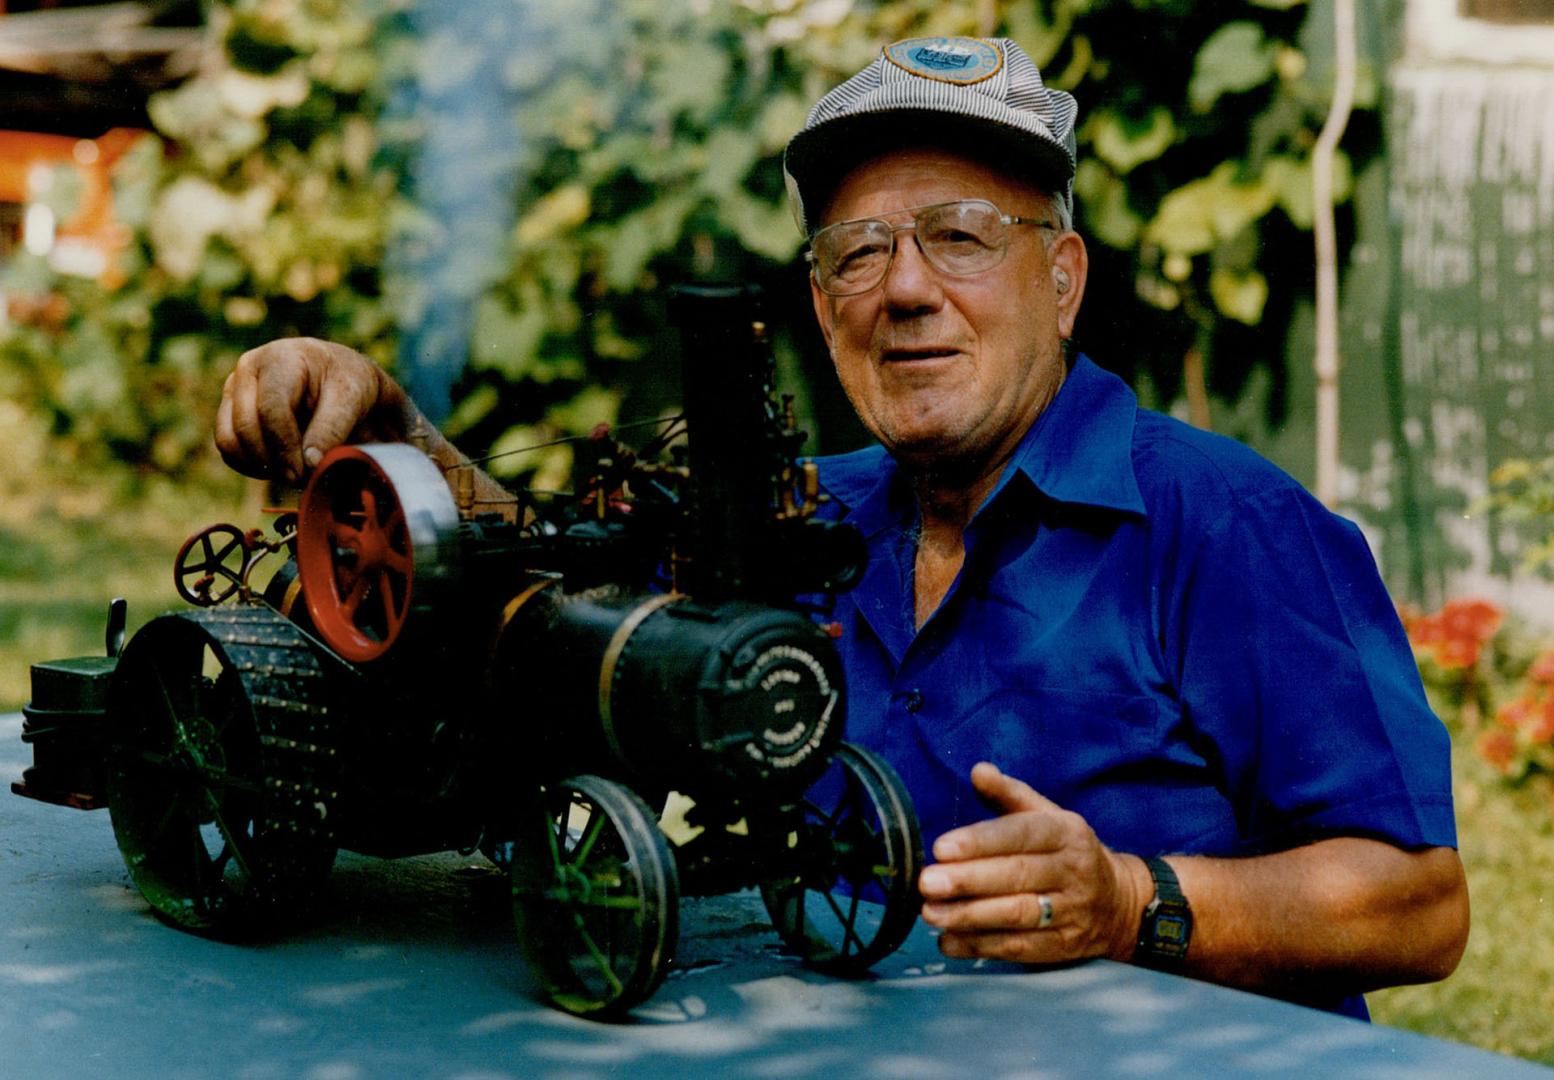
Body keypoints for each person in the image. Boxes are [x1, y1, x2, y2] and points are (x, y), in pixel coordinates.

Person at [216, 36, 1467, 1018]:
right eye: (860, 254)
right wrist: (390, 428)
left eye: (962, 238)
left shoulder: (1230, 526)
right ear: (821, 307)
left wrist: (1132, 901)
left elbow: (1418, 907)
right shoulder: (799, 518)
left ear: (1066, 278)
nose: (908, 289)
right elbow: (567, 603)